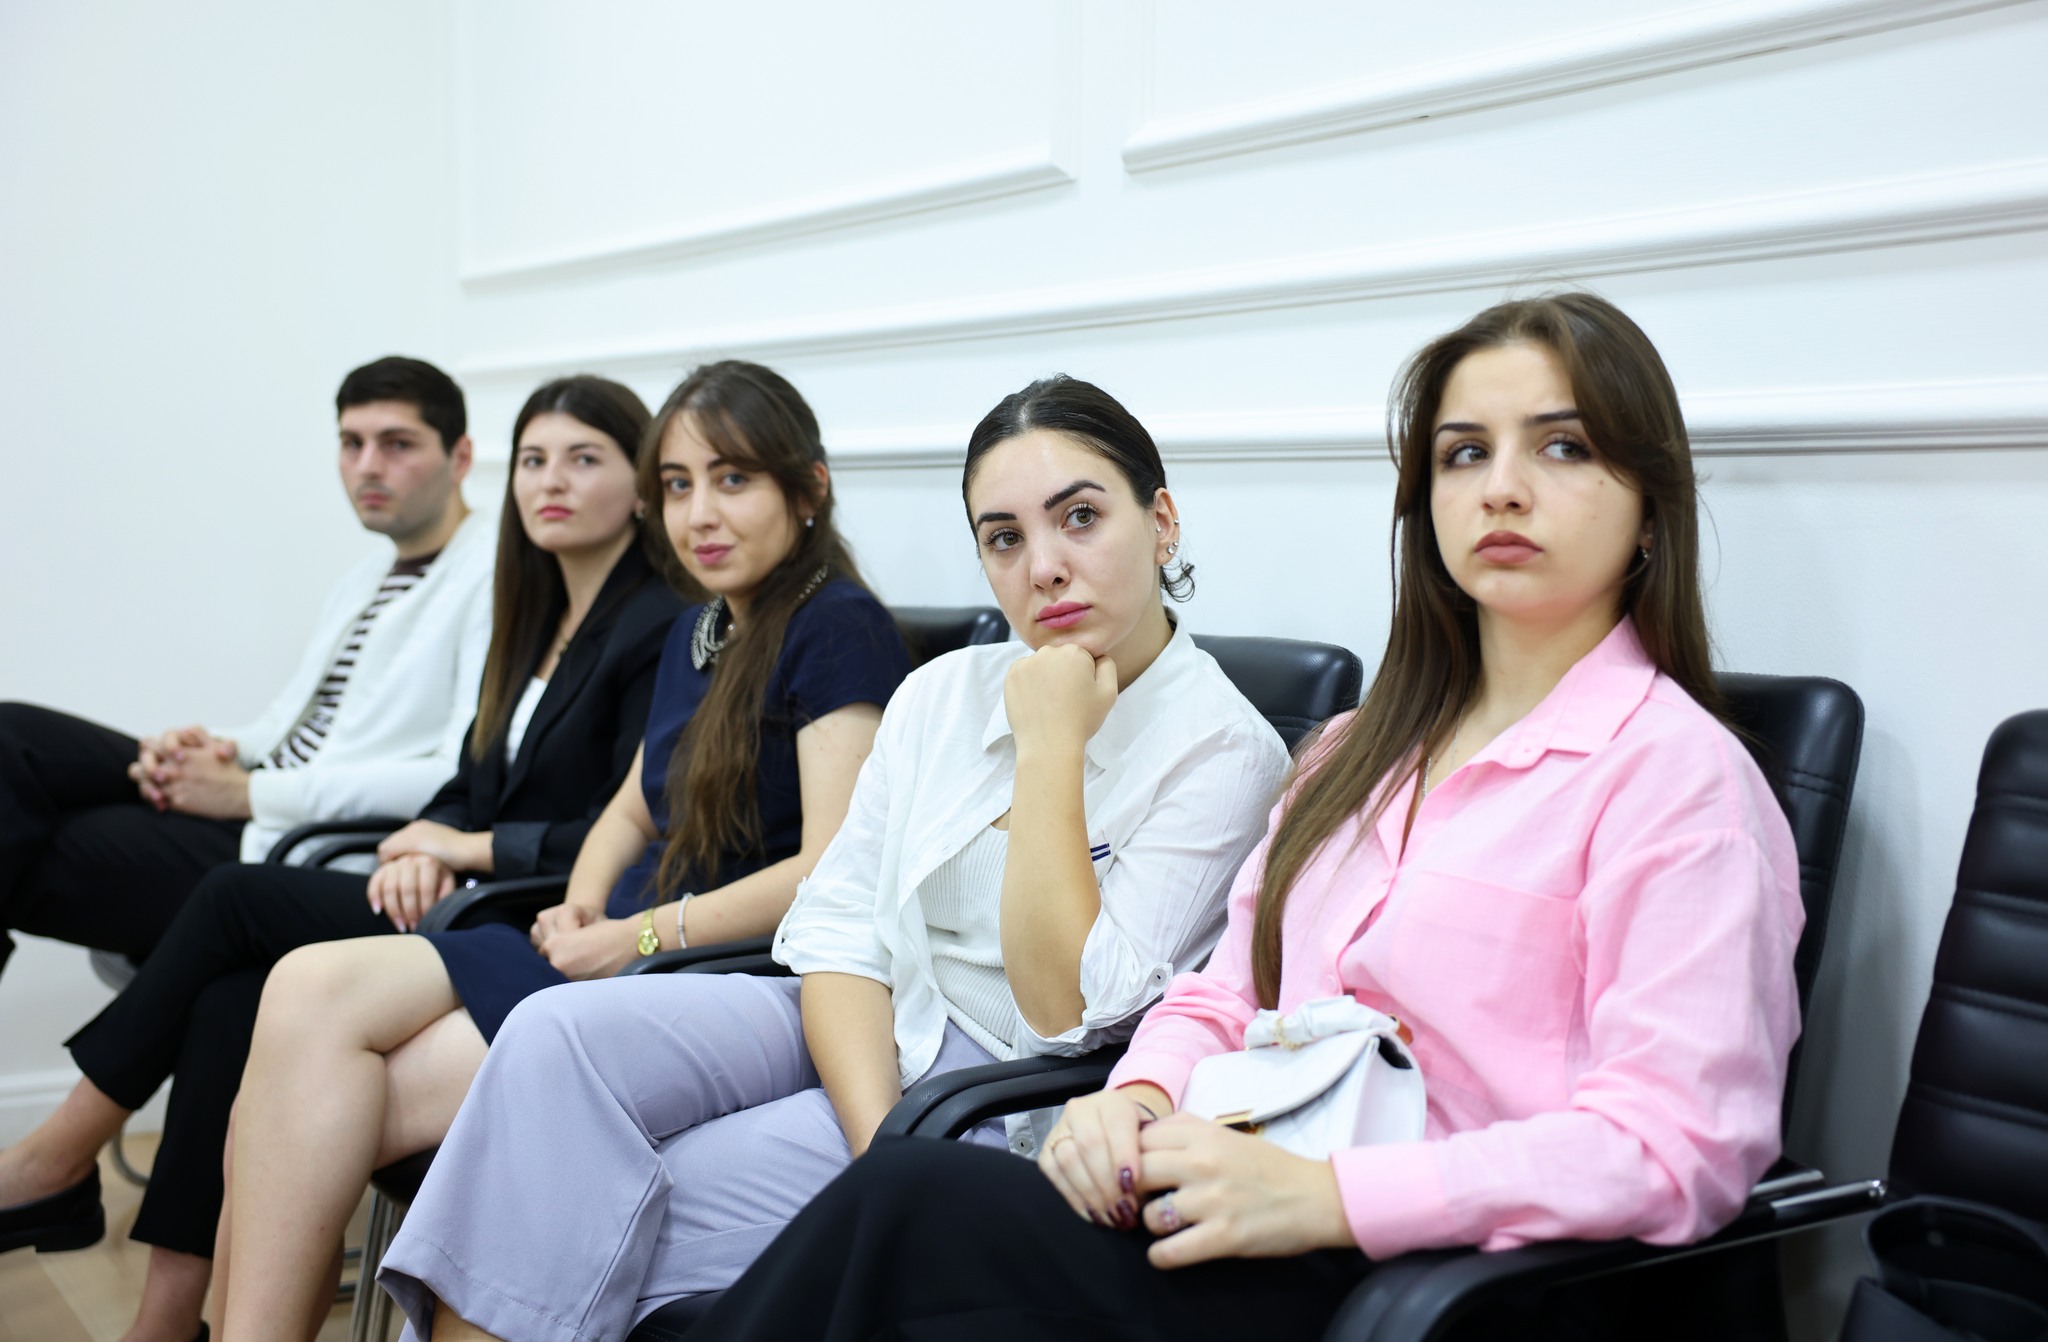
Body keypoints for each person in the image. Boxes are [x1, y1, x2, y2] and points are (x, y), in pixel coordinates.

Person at [686, 293, 1807, 1342]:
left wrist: (1333, 1197)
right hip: (1227, 1203)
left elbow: (1677, 1145)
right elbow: (1227, 993)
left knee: (908, 1206)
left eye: (1561, 448)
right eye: (1464, 453)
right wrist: (1133, 1096)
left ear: (1649, 508)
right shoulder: (1354, 754)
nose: (1501, 488)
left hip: (1435, 1282)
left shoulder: (1678, 779)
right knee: (904, 1211)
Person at [369, 373, 1292, 1342]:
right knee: (551, 1035)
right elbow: (842, 924)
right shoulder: (943, 692)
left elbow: (1063, 1011)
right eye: (1004, 538)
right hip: (860, 1026)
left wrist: (1050, 749)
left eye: (1080, 518)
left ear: (1161, 524)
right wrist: (876, 1146)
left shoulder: (1224, 753)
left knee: (605, 1200)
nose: (1046, 568)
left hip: (996, 1096)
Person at [212, 359, 913, 1340]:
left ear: (809, 489)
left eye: (733, 480)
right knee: (301, 990)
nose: (699, 514)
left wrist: (636, 936)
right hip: (614, 948)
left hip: (715, 971)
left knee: (311, 1100)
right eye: (677, 484)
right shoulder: (703, 627)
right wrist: (583, 904)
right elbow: (629, 809)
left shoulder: (837, 626)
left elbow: (829, 875)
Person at [0, 375, 679, 1342]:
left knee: (231, 900)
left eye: (583, 460)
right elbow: (471, 773)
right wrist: (422, 839)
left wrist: (455, 845)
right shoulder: (540, 615)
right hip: (448, 881)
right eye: (534, 460)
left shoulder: (655, 625)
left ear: (641, 486)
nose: (550, 482)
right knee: (230, 997)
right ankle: (167, 1321)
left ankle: (57, 1159)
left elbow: (631, 823)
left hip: (516, 908)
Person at [0, 356, 495, 981]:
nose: (369, 466)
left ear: (460, 457)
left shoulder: (492, 574)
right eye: (352, 443)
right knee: (11, 737)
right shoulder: (366, 577)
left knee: (38, 846)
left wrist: (246, 794)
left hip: (289, 837)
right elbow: (289, 722)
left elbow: (456, 774)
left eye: (397, 444)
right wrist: (210, 749)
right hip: (258, 791)